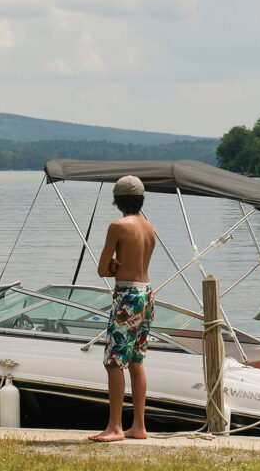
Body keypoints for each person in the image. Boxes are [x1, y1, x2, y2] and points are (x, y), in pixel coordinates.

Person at [89, 175, 156, 443]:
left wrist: (114, 265)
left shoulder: (117, 226)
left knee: (114, 361)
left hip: (127, 295)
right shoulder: (150, 227)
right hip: (147, 294)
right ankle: (138, 426)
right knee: (136, 360)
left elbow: (102, 269)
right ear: (141, 199)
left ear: (117, 200)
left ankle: (115, 427)